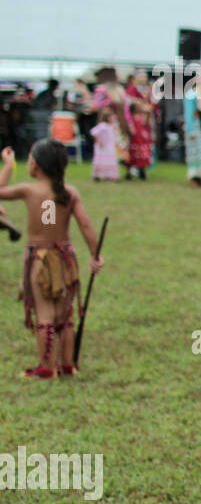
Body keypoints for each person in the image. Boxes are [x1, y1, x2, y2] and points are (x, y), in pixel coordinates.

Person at [0, 141, 105, 378]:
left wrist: (7, 166)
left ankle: (46, 367)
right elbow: (86, 225)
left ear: (34, 164)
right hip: (66, 258)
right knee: (65, 314)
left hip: (40, 259)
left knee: (44, 313)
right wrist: (95, 255)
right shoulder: (70, 193)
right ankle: (67, 365)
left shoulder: (29, 190)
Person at [182, 76, 201, 186]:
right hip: (195, 126)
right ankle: (194, 177)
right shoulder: (191, 94)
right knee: (195, 152)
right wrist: (190, 130)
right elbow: (188, 113)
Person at [124, 70, 154, 180]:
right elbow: (128, 103)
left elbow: (152, 103)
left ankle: (142, 169)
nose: (143, 78)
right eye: (141, 76)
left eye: (144, 76)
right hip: (135, 121)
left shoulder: (148, 89)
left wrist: (148, 108)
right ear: (136, 77)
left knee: (145, 144)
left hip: (145, 121)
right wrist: (140, 104)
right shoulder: (132, 88)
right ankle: (129, 170)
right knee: (133, 144)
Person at [90, 109, 121, 182]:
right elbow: (94, 133)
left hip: (110, 147)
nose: (112, 119)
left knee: (111, 161)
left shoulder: (112, 126)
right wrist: (99, 142)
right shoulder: (102, 125)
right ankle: (97, 176)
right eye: (111, 117)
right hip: (103, 147)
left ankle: (111, 175)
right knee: (101, 161)